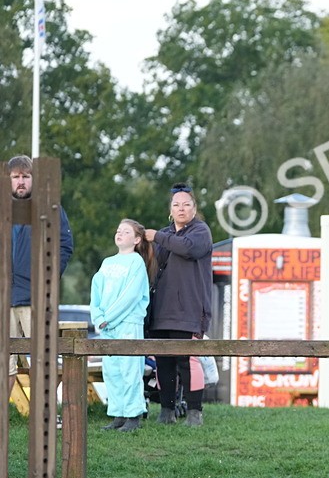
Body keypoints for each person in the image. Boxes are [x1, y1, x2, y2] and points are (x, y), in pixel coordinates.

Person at [146, 183, 213, 426]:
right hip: (161, 309)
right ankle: (167, 411)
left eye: (186, 204)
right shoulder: (164, 235)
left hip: (190, 310)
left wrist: (157, 237)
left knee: (188, 360)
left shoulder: (200, 231)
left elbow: (187, 249)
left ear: (194, 209)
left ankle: (195, 412)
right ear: (170, 210)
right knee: (163, 361)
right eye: (176, 205)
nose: (181, 209)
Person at [8, 155, 74, 397]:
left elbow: (64, 245)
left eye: (26, 176)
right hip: (5, 300)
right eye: (16, 177)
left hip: (34, 299)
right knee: (5, 365)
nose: (21, 181)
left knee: (44, 362)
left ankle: (45, 412)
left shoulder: (48, 206)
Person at [90, 219, 155, 432]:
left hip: (127, 324)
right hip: (107, 327)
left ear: (136, 240)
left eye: (126, 232)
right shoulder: (107, 262)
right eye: (118, 230)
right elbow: (95, 292)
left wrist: (108, 317)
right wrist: (98, 317)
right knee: (112, 371)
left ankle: (133, 415)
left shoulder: (136, 263)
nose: (119, 234)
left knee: (130, 369)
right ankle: (118, 414)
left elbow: (131, 296)